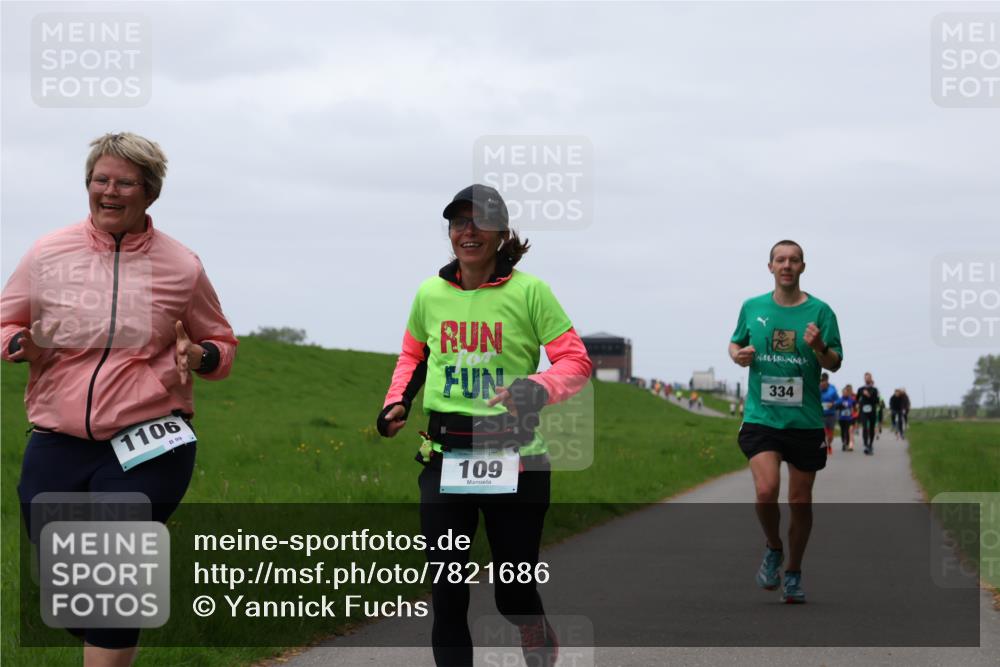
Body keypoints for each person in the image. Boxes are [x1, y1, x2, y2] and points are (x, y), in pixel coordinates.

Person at [1, 132, 237, 667]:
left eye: (124, 182)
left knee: (113, 569)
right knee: (67, 592)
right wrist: (20, 345)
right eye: (100, 180)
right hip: (58, 438)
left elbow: (222, 344)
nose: (109, 191)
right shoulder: (47, 252)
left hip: (149, 438)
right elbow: (6, 321)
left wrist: (197, 356)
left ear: (149, 193)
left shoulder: (182, 266)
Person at [375, 184, 592, 667]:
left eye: (479, 222)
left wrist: (534, 387)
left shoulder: (531, 292)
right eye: (458, 222)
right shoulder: (430, 293)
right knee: (448, 591)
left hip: (516, 458)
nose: (467, 231)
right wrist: (396, 404)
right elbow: (414, 354)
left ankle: (534, 629)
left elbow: (575, 363)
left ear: (501, 234)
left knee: (512, 593)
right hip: (446, 455)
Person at [729, 240, 843, 604]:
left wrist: (820, 346)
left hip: (805, 421)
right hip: (762, 417)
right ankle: (773, 547)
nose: (787, 265)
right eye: (781, 260)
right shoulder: (752, 307)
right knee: (765, 491)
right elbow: (734, 344)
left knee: (800, 501)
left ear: (803, 267)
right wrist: (739, 355)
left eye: (794, 260)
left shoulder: (820, 311)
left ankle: (793, 571)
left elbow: (835, 362)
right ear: (770, 267)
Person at [856, 372, 880, 455]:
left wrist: (868, 395)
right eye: (865, 377)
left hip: (872, 411)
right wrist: (857, 405)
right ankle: (866, 444)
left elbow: (877, 401)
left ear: (871, 379)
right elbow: (857, 399)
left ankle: (870, 444)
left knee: (871, 428)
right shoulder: (860, 389)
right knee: (865, 427)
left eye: (868, 377)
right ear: (864, 379)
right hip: (863, 411)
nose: (867, 379)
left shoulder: (875, 390)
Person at [819, 372, 839, 455]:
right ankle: (823, 447)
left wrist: (833, 404)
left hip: (831, 414)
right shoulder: (817, 388)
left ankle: (829, 444)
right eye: (821, 381)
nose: (822, 383)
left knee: (830, 434)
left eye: (823, 381)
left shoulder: (832, 389)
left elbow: (838, 400)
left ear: (827, 381)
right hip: (821, 415)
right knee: (822, 432)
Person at [838, 385, 856, 451]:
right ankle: (843, 443)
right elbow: (836, 406)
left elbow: (854, 406)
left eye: (846, 392)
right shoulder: (840, 400)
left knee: (848, 431)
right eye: (843, 392)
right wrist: (840, 405)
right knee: (842, 431)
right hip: (841, 418)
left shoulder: (851, 400)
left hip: (849, 418)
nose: (845, 393)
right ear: (842, 393)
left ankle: (848, 443)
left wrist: (853, 410)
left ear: (848, 393)